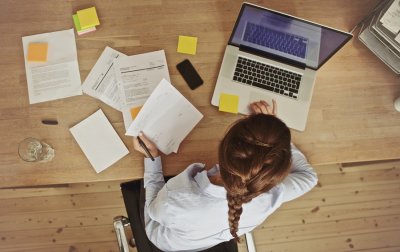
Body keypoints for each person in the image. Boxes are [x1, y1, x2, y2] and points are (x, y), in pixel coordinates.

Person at [133, 100, 318, 252]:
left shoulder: (176, 198)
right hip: (206, 238)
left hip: (163, 240)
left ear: (223, 146)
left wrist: (153, 159)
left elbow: (153, 212)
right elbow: (309, 178)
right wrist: (274, 139)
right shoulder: (273, 196)